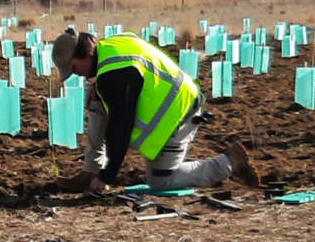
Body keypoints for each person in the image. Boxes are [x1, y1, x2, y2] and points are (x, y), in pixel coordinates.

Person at [51, 28, 260, 192]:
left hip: (178, 114)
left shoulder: (113, 76)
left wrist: (108, 174)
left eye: (73, 68)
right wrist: (96, 87)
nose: (76, 75)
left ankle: (228, 163)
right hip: (172, 101)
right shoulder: (110, 47)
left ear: (83, 56)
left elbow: (120, 126)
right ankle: (90, 172)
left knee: (161, 181)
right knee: (95, 98)